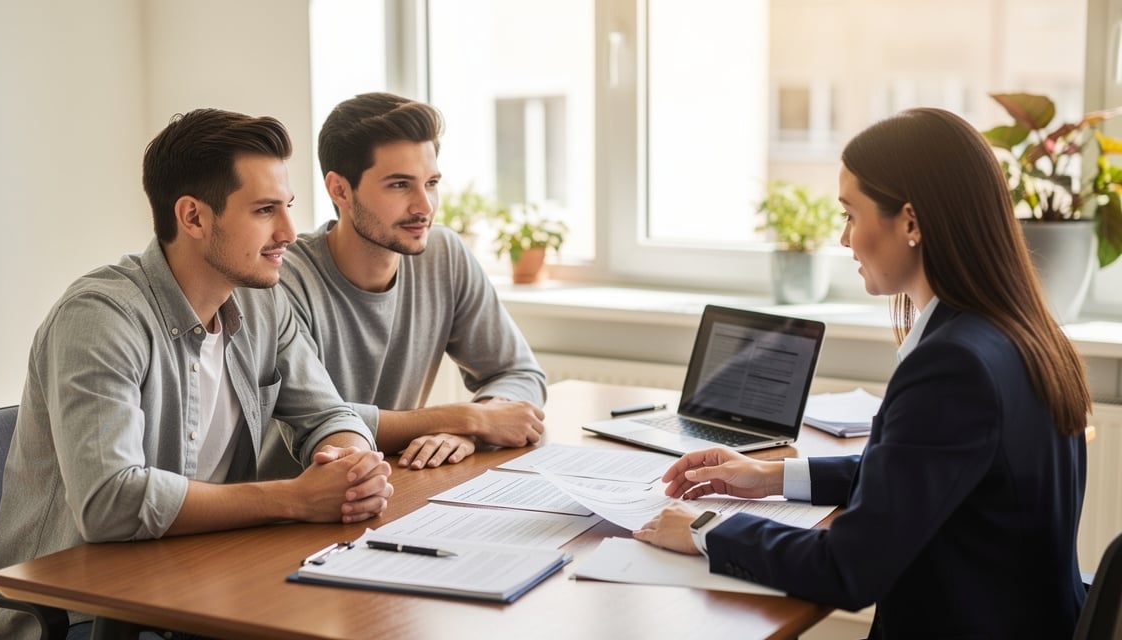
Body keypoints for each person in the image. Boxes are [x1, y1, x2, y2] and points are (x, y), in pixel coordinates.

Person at [633, 108, 1091, 639]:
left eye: (851, 215)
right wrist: (773, 477)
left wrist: (708, 530)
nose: (845, 239)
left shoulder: (954, 365)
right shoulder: (1019, 332)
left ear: (911, 222)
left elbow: (848, 568)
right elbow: (925, 475)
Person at [0, 109, 394, 640]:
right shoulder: (100, 317)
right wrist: (295, 497)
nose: (290, 231)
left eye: (286, 208)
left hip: (198, 581)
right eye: (265, 211)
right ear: (194, 217)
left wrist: (351, 465)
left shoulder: (265, 305)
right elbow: (110, 502)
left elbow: (328, 413)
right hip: (73, 616)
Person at [271, 92, 547, 471]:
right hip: (299, 510)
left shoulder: (443, 254)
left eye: (431, 183)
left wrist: (463, 431)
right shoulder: (284, 279)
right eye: (400, 185)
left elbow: (518, 373)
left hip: (396, 484)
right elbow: (318, 420)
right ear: (339, 189)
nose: (424, 206)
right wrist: (471, 418)